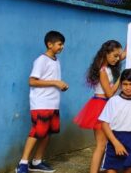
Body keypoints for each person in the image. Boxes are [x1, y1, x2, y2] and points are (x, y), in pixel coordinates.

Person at [15, 31, 68, 173]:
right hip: (41, 104)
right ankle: (23, 163)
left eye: (63, 44)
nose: (62, 47)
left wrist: (59, 86)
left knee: (47, 132)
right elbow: (32, 81)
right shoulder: (41, 60)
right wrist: (56, 83)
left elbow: (51, 81)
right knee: (37, 131)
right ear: (49, 44)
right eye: (59, 44)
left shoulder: (56, 61)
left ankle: (37, 161)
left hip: (52, 104)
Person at [73, 40, 124, 173]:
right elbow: (109, 93)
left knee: (105, 144)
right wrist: (121, 78)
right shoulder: (103, 70)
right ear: (106, 53)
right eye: (114, 55)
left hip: (105, 105)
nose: (117, 59)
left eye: (118, 56)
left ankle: (104, 167)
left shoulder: (106, 67)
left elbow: (121, 55)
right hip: (101, 106)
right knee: (101, 145)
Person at [98, 69, 131, 173]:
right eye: (125, 84)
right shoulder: (114, 101)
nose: (128, 87)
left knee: (129, 169)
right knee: (110, 170)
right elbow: (104, 124)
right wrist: (115, 143)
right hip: (114, 139)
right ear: (120, 85)